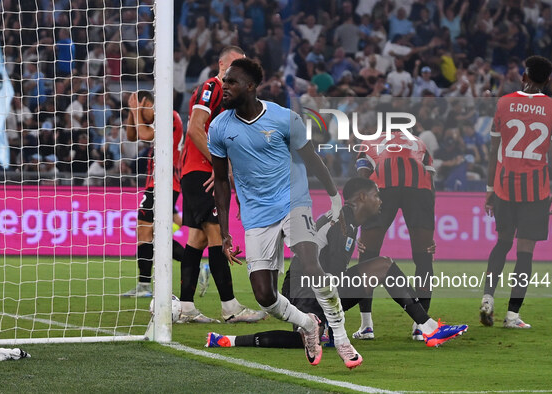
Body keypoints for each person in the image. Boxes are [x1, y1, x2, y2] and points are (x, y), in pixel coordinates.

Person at [209, 58, 362, 369]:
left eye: (232, 83)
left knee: (310, 260)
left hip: (293, 200)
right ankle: (308, 325)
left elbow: (313, 159)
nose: (224, 88)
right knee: (265, 295)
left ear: (250, 87)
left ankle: (342, 337)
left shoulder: (283, 119)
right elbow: (222, 182)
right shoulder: (218, 127)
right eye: (224, 82)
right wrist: (225, 232)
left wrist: (334, 197)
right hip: (255, 214)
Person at [205, 178, 468, 349]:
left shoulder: (347, 223)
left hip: (309, 290)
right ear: (361, 198)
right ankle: (428, 328)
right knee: (382, 267)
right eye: (377, 195)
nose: (381, 201)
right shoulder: (340, 223)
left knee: (379, 269)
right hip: (304, 292)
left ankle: (427, 327)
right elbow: (325, 271)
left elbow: (333, 273)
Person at [179, 46, 266, 324]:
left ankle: (185, 306)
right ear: (221, 65)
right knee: (217, 235)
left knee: (198, 239)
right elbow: (194, 128)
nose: (236, 72)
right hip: (201, 172)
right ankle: (230, 307)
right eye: (233, 66)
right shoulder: (211, 86)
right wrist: (221, 166)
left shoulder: (229, 99)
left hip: (197, 171)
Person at [480, 55, 552, 329]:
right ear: (548, 80)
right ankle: (513, 315)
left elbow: (494, 150)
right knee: (525, 252)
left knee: (502, 243)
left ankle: (487, 298)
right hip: (535, 191)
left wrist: (490, 188)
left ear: (524, 77)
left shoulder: (503, 103)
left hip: (505, 186)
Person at [355, 130, 437, 341]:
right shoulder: (418, 142)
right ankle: (421, 326)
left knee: (368, 256)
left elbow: (362, 181)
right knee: (424, 256)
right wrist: (430, 230)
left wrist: (361, 223)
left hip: (383, 184)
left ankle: (366, 326)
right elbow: (431, 179)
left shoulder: (368, 141)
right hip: (420, 188)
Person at [122, 91, 185, 297]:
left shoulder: (170, 115)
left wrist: (135, 111)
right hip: (156, 183)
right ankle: (194, 265)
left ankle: (144, 286)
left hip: (166, 182)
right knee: (152, 236)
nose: (142, 115)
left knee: (144, 231)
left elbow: (145, 135)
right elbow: (132, 135)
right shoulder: (153, 119)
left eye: (143, 109)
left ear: (149, 104)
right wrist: (134, 113)